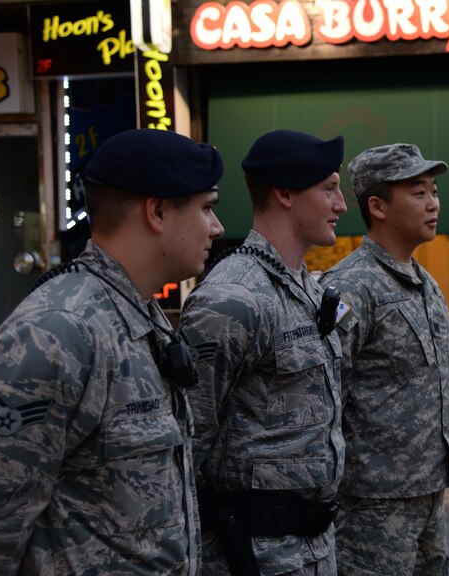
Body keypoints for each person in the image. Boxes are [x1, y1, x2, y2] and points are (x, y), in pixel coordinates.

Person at [0, 128, 224, 574]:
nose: (217, 227)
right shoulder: (58, 331)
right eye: (207, 208)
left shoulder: (140, 314)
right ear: (158, 211)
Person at [179, 129, 347, 575]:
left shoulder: (306, 289)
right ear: (285, 194)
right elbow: (187, 441)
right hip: (252, 556)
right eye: (328, 188)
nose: (341, 204)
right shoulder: (233, 298)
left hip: (314, 549)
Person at [320, 143, 449, 575]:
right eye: (418, 193)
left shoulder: (424, 283)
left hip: (428, 493)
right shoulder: (350, 287)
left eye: (433, 191)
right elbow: (324, 397)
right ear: (377, 206)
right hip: (370, 508)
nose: (433, 203)